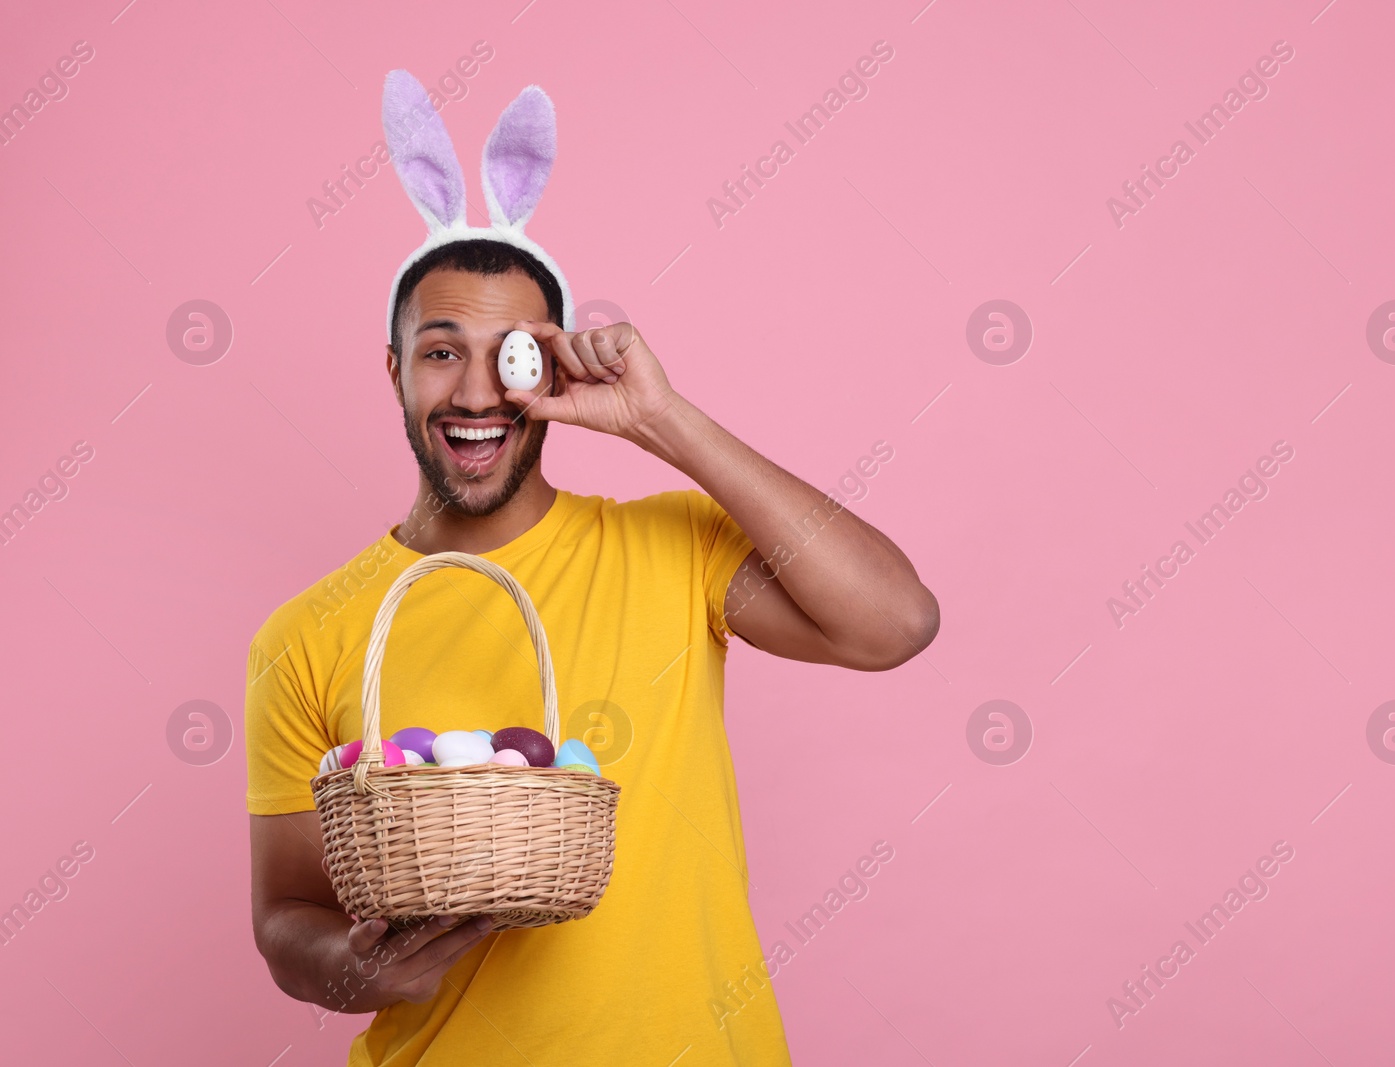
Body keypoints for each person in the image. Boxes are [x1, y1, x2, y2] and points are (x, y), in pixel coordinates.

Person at [244, 70, 938, 1067]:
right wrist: (359, 969)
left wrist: (663, 419)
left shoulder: (673, 546)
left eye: (512, 352)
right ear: (395, 371)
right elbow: (285, 917)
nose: (477, 388)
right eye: (440, 352)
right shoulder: (306, 635)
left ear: (557, 365)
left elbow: (897, 622)